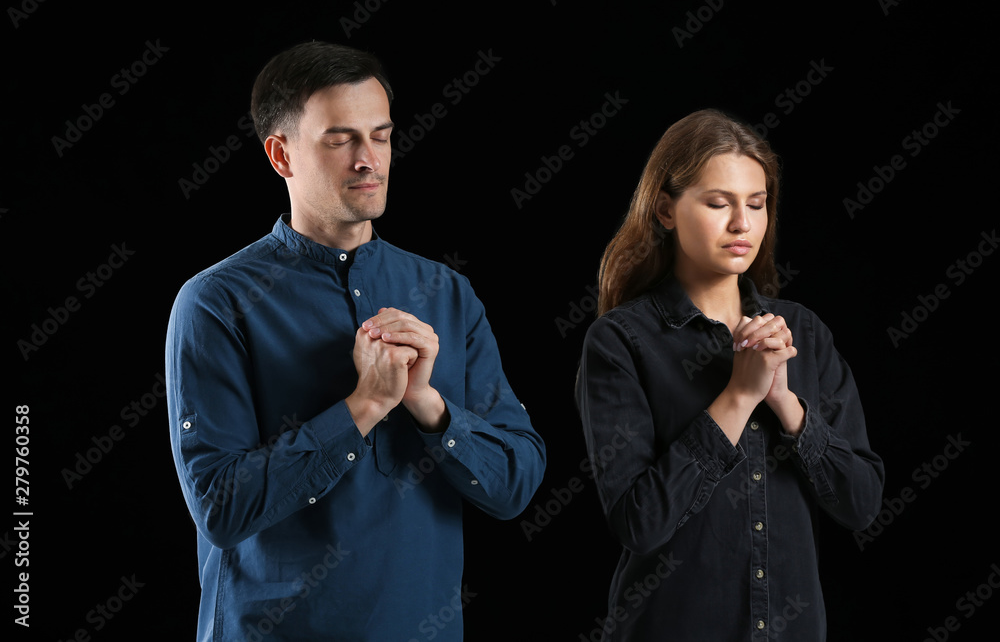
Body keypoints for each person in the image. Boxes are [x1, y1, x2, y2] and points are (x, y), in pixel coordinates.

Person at [165, 41, 545, 641]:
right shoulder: (215, 304)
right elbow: (221, 508)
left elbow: (515, 485)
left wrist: (429, 406)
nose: (370, 159)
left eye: (382, 135)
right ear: (280, 154)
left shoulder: (447, 292)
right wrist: (363, 406)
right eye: (341, 139)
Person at [575, 109, 884, 641]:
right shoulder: (620, 341)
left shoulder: (804, 333)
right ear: (666, 209)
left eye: (757, 205)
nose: (742, 224)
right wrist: (739, 396)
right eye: (718, 204)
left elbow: (861, 505)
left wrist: (787, 406)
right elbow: (639, 522)